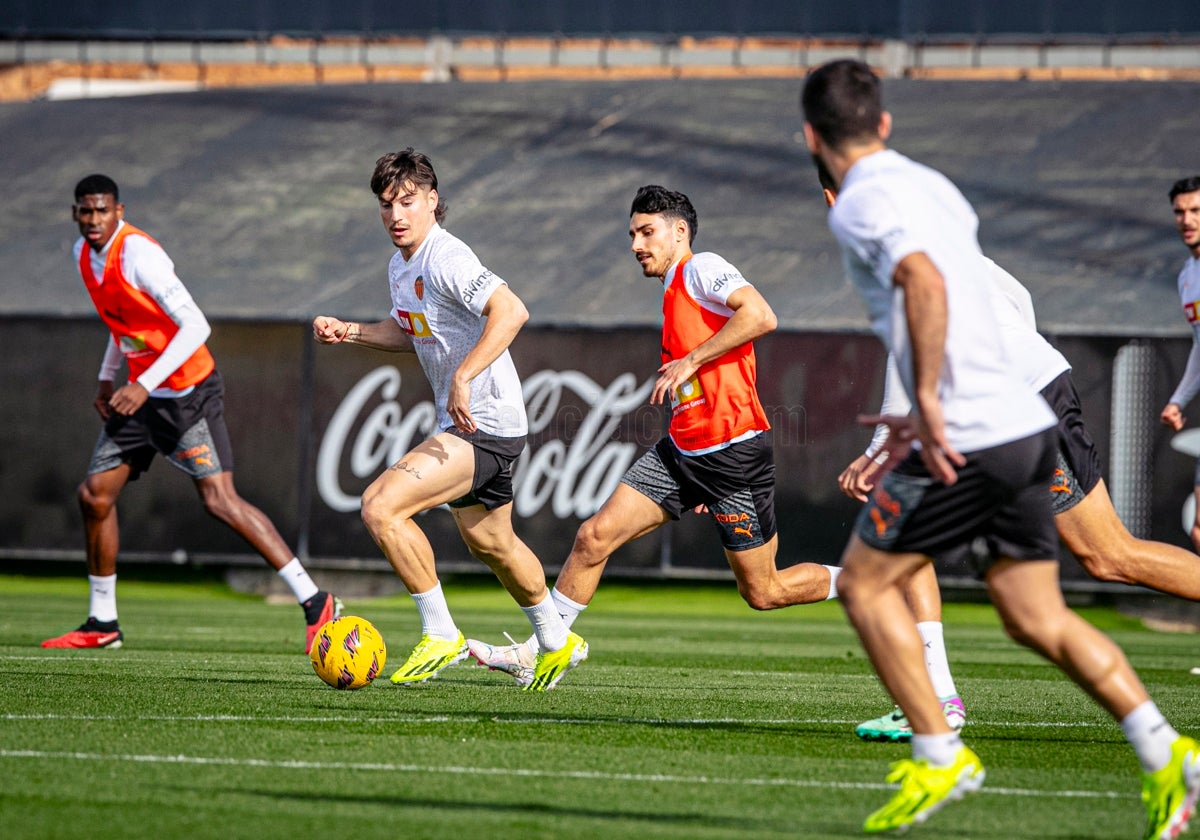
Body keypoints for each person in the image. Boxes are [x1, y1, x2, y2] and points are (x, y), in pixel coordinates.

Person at [802, 59, 1199, 837]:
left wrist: (919, 406)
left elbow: (921, 284)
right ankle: (1169, 757)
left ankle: (939, 747)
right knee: (1035, 611)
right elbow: (997, 295)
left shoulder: (853, 207)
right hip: (1027, 411)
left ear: (811, 136)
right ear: (883, 124)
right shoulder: (934, 188)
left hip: (974, 424)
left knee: (866, 586)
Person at [830, 193, 1200, 743]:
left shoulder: (882, 237)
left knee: (1104, 558)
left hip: (1014, 410)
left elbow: (905, 344)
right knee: (1015, 590)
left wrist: (882, 442)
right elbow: (1015, 296)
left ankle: (938, 709)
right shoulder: (931, 222)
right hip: (1012, 401)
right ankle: (936, 703)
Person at [466, 184, 842, 686]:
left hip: (731, 456)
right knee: (593, 537)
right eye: (631, 234)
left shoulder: (703, 266)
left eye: (647, 232)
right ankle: (544, 651)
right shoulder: (671, 287)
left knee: (763, 591)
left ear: (679, 231)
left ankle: (858, 581)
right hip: (683, 452)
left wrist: (690, 359)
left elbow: (761, 315)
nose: (636, 245)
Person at [311, 148, 586, 692]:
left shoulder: (445, 256)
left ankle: (441, 634)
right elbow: (406, 329)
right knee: (493, 545)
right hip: (477, 423)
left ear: (433, 201)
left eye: (407, 201)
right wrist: (351, 331)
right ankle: (557, 643)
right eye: (387, 205)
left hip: (482, 423)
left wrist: (464, 376)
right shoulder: (401, 264)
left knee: (380, 506)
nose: (396, 215)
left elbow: (512, 311)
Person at [42, 174, 341, 654]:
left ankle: (315, 600)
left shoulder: (139, 254)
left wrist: (141, 384)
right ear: (75, 213)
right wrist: (106, 376)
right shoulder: (85, 256)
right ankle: (103, 622)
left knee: (220, 500)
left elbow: (195, 325)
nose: (94, 219)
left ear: (119, 211)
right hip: (142, 398)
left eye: (102, 210)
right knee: (94, 496)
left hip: (185, 394)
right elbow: (123, 325)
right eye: (85, 211)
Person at [1159, 176, 1200, 553]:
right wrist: (1179, 399)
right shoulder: (1188, 277)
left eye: (1196, 210)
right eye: (1180, 212)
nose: (1186, 219)